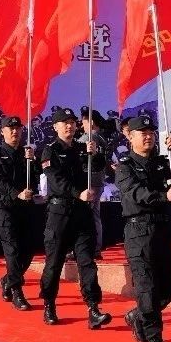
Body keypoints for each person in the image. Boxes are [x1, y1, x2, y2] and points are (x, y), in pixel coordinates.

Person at [114, 115, 171, 342]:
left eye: (151, 132)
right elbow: (136, 193)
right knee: (147, 288)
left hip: (162, 231)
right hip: (139, 232)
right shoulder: (125, 166)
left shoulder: (162, 162)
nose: (148, 136)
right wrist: (163, 196)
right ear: (131, 137)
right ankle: (155, 339)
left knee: (169, 285)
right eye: (142, 132)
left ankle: (140, 315)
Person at [40, 107, 112, 329]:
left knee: (87, 261)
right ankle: (49, 303)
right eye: (64, 122)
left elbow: (100, 166)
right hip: (59, 213)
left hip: (82, 214)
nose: (69, 125)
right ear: (56, 127)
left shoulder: (83, 148)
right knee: (54, 262)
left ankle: (93, 307)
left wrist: (96, 153)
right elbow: (56, 182)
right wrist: (77, 193)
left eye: (72, 122)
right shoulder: (49, 151)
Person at [0, 116, 38, 311]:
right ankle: (17, 291)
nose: (15, 131)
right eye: (10, 128)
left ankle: (8, 279)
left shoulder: (26, 154)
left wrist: (32, 162)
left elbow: (35, 179)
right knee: (13, 252)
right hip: (6, 209)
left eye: (17, 128)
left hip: (26, 209)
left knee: (29, 250)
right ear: (2, 132)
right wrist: (17, 193)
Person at [79, 108, 111, 258]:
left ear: (91, 122)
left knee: (87, 216)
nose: (81, 124)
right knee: (94, 215)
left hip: (88, 180)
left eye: (83, 121)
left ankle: (90, 248)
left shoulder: (89, 137)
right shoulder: (102, 138)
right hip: (97, 180)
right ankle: (96, 248)